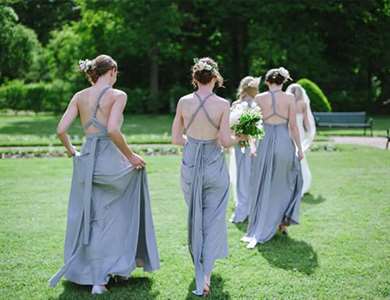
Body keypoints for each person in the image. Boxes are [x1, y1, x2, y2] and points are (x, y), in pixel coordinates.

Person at [49, 55, 160, 294]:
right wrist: (131, 157)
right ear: (111, 71)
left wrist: (72, 152)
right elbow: (112, 130)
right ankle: (113, 269)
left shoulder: (80, 96)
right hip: (110, 162)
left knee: (94, 218)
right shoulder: (118, 95)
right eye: (116, 72)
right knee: (118, 214)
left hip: (87, 161)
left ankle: (96, 275)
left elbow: (61, 130)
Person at [171, 57, 244, 296]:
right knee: (213, 219)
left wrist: (193, 143)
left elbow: (175, 138)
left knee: (196, 217)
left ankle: (200, 270)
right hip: (214, 164)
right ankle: (206, 275)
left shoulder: (183, 101)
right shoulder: (223, 104)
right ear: (215, 78)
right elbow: (225, 141)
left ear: (195, 78)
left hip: (191, 162)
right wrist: (240, 138)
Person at [242, 67, 303, 249]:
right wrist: (300, 149)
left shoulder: (259, 98)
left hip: (264, 143)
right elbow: (293, 126)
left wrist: (252, 146)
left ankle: (266, 223)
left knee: (262, 185)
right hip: (284, 141)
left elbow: (251, 126)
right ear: (283, 82)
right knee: (287, 182)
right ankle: (281, 223)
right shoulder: (290, 98)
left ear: (267, 82)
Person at [229, 76, 261, 223]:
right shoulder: (255, 103)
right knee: (252, 175)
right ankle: (249, 208)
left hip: (246, 144)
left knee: (243, 176)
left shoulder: (242, 104)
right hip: (246, 144)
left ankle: (246, 208)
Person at [286, 83, 316, 195]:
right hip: (300, 133)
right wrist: (309, 132)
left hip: (290, 132)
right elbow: (306, 121)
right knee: (300, 157)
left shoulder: (288, 103)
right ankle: (303, 182)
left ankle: (293, 183)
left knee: (292, 158)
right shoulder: (303, 104)